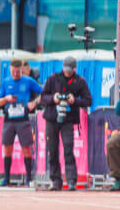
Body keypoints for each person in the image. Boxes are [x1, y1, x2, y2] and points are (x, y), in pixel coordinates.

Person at [39, 56, 93, 191]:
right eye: (66, 69)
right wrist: (54, 98)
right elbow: (43, 98)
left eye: (70, 69)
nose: (68, 72)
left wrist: (74, 100)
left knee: (68, 149)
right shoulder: (53, 78)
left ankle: (71, 181)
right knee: (52, 150)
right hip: (52, 118)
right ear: (62, 67)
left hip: (68, 119)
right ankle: (55, 181)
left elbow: (88, 100)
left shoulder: (79, 81)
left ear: (75, 68)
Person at [0, 59, 42, 187]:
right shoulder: (5, 82)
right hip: (9, 119)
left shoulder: (28, 81)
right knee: (7, 148)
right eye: (13, 71)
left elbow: (43, 92)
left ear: (22, 70)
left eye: (18, 71)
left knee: (26, 148)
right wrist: (6, 99)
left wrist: (34, 103)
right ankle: (7, 179)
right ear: (10, 69)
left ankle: (29, 179)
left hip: (23, 118)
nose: (16, 73)